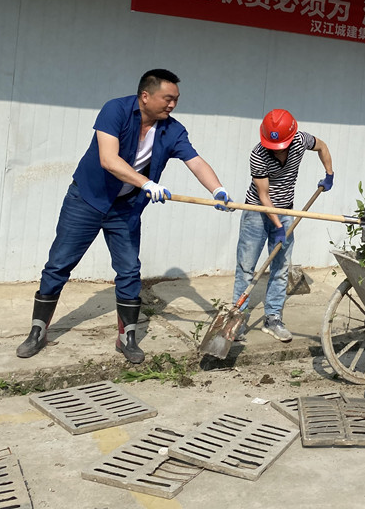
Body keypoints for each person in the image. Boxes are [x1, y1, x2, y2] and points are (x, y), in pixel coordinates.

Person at [16, 69, 233, 364]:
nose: (172, 105)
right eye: (167, 98)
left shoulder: (172, 130)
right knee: (59, 264)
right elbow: (108, 160)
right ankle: (37, 332)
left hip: (126, 207)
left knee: (130, 271)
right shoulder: (115, 110)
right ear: (145, 96)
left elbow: (195, 161)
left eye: (176, 99)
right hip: (87, 200)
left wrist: (217, 189)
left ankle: (127, 337)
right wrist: (146, 183)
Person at [234, 108, 333, 342]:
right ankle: (237, 319)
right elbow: (264, 195)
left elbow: (322, 146)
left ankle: (273, 318)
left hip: (286, 210)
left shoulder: (301, 140)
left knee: (280, 267)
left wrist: (329, 173)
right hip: (257, 211)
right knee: (246, 268)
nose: (277, 150)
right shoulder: (258, 154)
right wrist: (278, 226)